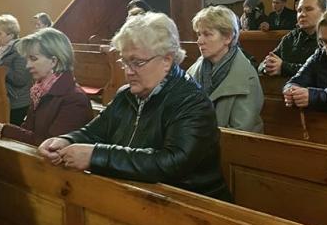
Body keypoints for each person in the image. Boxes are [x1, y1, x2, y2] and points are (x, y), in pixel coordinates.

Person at [38, 12, 231, 200]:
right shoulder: (126, 95)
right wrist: (65, 140)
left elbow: (171, 163)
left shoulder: (192, 102)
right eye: (125, 61)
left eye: (137, 62)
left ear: (167, 60)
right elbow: (95, 132)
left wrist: (96, 156)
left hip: (191, 205)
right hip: (139, 197)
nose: (129, 71)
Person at [0, 28, 92, 145]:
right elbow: (27, 131)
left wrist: (2, 130)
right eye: (27, 59)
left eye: (33, 59)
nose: (27, 65)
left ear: (54, 61)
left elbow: (51, 145)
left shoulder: (74, 99)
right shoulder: (40, 90)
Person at [187, 5, 263, 132]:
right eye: (199, 34)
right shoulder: (193, 71)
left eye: (207, 34)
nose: (199, 41)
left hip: (235, 143)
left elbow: (241, 131)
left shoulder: (246, 77)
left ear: (228, 37)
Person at [259, 0, 327, 77]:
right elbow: (264, 63)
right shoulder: (291, 37)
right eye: (299, 10)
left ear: (325, 12)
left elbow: (320, 71)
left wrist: (283, 67)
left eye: (308, 9)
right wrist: (267, 67)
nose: (302, 14)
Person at [0, 14, 32, 125]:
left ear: (11, 35)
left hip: (17, 102)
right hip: (3, 99)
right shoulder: (3, 50)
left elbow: (20, 79)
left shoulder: (20, 51)